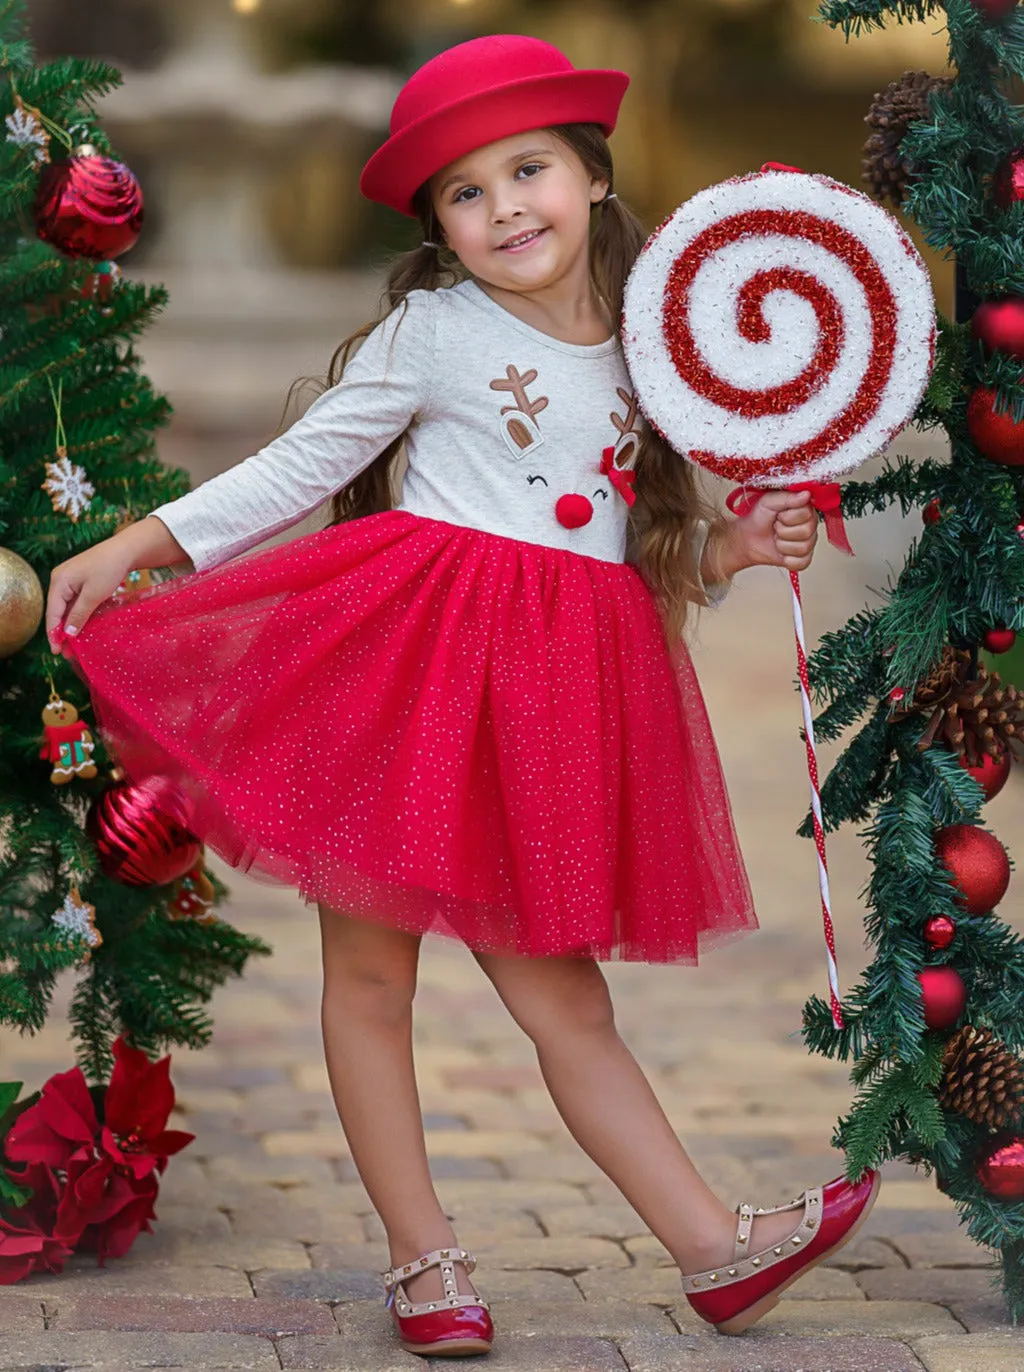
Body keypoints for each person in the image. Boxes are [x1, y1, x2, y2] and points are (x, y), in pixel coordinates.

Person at [46, 33, 879, 1358]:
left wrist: (740, 541)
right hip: (411, 679)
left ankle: (717, 1251)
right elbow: (296, 466)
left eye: (529, 170)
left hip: (555, 701)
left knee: (566, 1001)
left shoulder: (657, 344)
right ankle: (425, 1262)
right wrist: (138, 543)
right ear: (437, 228)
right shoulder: (435, 331)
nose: (507, 209)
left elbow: (644, 535)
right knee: (372, 982)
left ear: (595, 176)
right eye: (467, 193)